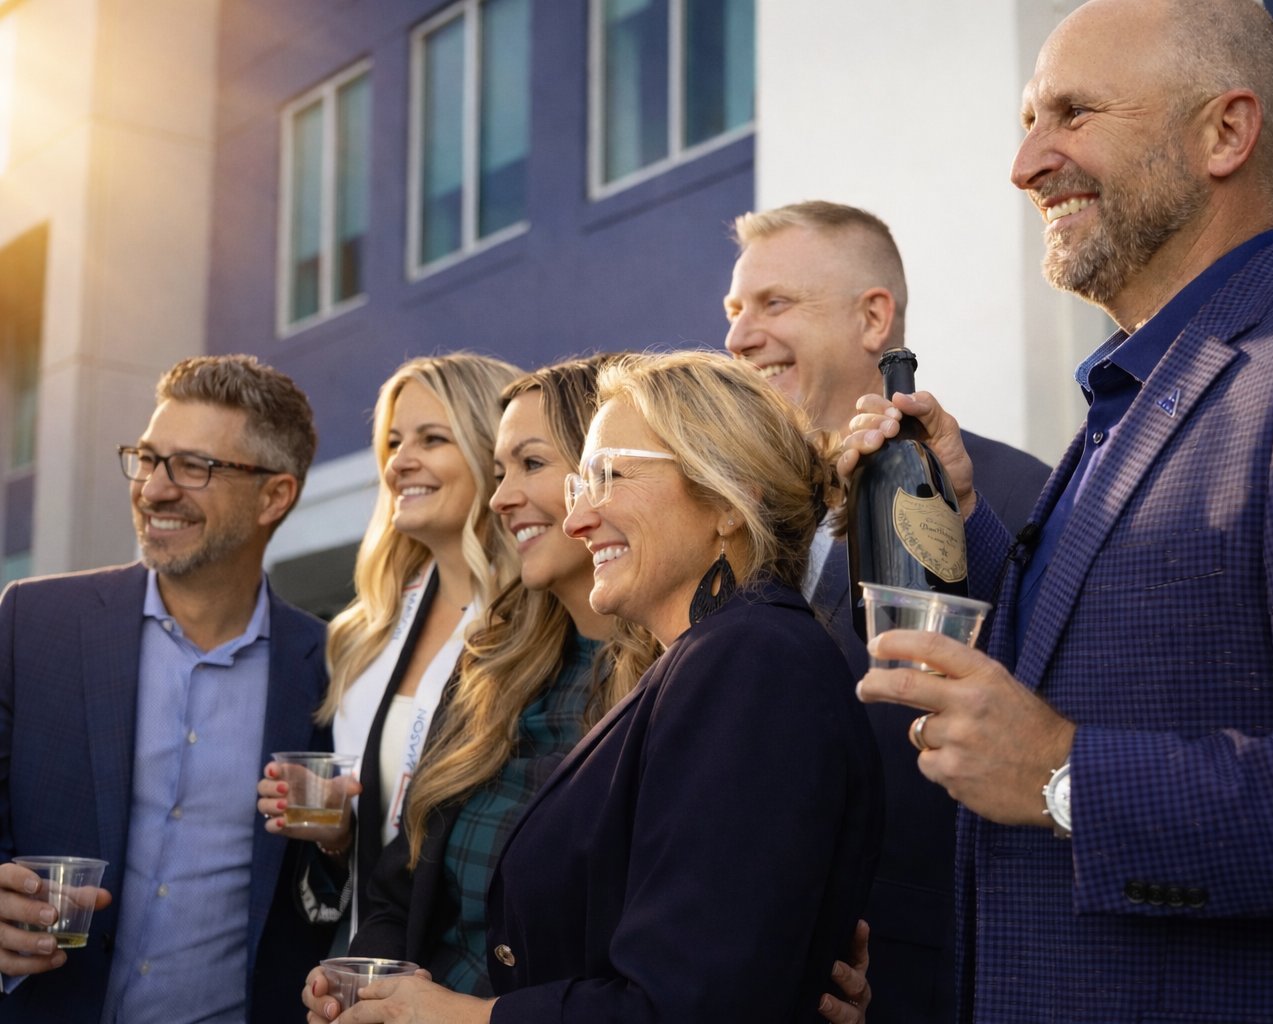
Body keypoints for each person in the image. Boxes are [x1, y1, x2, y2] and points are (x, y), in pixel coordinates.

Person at [843, 0, 1273, 1020]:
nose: (1027, 163)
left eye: (1072, 114)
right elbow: (1113, 663)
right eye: (1028, 121)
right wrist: (966, 523)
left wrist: (1067, 777)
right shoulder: (1134, 398)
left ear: (1225, 131)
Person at [318, 351, 883, 1022]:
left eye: (606, 477)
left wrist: (449, 1015)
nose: (579, 518)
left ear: (728, 499)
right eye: (578, 484)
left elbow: (682, 1002)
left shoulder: (753, 661)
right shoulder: (719, 657)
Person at [724, 200, 1050, 1021]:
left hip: (922, 985)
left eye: (774, 304)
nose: (738, 337)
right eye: (734, 310)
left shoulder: (1014, 497)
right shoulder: (739, 520)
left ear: (875, 319)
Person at [296, 355, 659, 1008]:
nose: (502, 498)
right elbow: (399, 882)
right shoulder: (494, 660)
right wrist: (360, 980)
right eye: (498, 473)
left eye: (531, 464)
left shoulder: (680, 677)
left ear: (601, 469)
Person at [0, 354, 332, 1022]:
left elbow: (341, 882)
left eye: (194, 466)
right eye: (148, 459)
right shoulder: (32, 623)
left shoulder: (330, 667)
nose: (154, 489)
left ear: (275, 496)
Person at [259, 354, 521, 939]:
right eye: (394, 442)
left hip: (478, 968)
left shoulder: (545, 624)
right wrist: (337, 832)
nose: (401, 462)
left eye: (432, 439)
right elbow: (368, 848)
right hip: (364, 963)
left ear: (491, 451)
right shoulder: (364, 633)